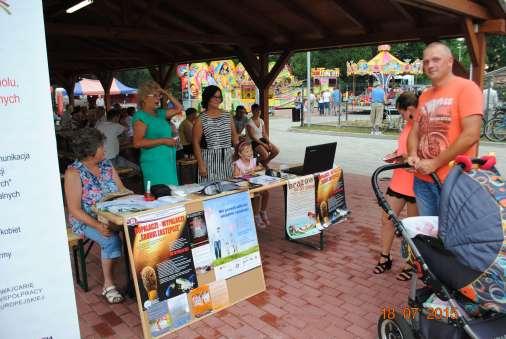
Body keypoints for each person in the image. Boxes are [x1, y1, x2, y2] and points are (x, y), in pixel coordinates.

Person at [407, 42, 483, 216]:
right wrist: (412, 154)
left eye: (435, 60)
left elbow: (471, 135)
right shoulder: (425, 95)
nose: (430, 65)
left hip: (453, 180)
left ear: (450, 61)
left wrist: (435, 163)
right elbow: (414, 131)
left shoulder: (467, 88)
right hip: (423, 179)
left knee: (451, 236)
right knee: (431, 235)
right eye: (426, 61)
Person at [64, 128, 126, 304]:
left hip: (112, 215)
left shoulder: (106, 164)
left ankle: (134, 274)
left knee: (137, 229)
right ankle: (108, 285)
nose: (104, 150)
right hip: (86, 221)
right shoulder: (74, 172)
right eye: (101, 146)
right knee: (111, 240)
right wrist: (98, 225)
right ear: (90, 152)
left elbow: (121, 190)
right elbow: (75, 209)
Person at [373, 92, 418, 281]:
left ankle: (411, 263)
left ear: (410, 109)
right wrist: (397, 155)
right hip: (400, 179)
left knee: (412, 227)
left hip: (417, 182)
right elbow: (405, 149)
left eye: (401, 113)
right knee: (387, 218)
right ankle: (385, 256)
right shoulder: (408, 124)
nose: (401, 117)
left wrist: (405, 158)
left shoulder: (422, 125)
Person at [132, 81, 183, 188]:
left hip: (168, 161)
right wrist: (163, 140)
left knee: (172, 192)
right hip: (154, 163)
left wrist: (166, 93)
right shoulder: (140, 116)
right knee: (160, 194)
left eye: (159, 96)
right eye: (154, 96)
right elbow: (137, 143)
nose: (158, 98)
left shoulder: (160, 114)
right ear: (144, 98)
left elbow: (179, 108)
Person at [193, 85, 239, 183]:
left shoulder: (227, 116)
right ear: (207, 98)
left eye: (219, 97)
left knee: (229, 189)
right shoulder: (201, 119)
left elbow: (235, 137)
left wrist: (238, 154)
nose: (218, 100)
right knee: (211, 192)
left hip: (228, 158)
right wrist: (201, 164)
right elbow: (195, 143)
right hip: (209, 160)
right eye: (215, 97)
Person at [233, 141, 270, 228]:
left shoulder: (253, 161)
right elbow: (235, 176)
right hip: (245, 186)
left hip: (255, 183)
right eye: (247, 151)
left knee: (266, 192)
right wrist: (244, 174)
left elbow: (261, 167)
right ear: (240, 154)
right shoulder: (238, 163)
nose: (250, 153)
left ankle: (263, 211)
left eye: (251, 151)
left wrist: (255, 170)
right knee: (256, 195)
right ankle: (256, 216)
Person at [246, 103, 279, 168]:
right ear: (252, 111)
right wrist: (264, 145)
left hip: (261, 140)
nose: (258, 112)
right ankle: (252, 163)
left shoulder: (261, 120)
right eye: (256, 110)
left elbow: (264, 133)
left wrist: (268, 142)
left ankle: (264, 162)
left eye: (259, 110)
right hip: (253, 142)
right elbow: (252, 137)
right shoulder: (249, 122)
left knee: (276, 151)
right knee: (265, 155)